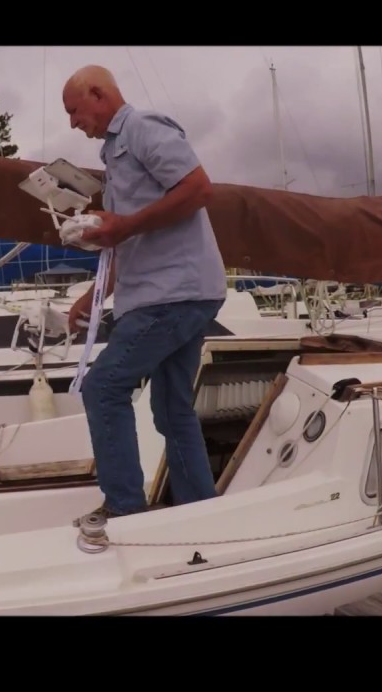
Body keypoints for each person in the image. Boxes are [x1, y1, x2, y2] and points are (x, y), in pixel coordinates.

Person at [61, 64, 228, 518]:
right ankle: (199, 513)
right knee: (172, 409)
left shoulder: (142, 128)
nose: (73, 123)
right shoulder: (116, 154)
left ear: (98, 94)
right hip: (181, 291)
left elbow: (197, 189)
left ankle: (124, 511)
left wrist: (125, 224)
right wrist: (94, 295)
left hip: (171, 294)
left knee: (103, 389)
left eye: (74, 111)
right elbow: (125, 238)